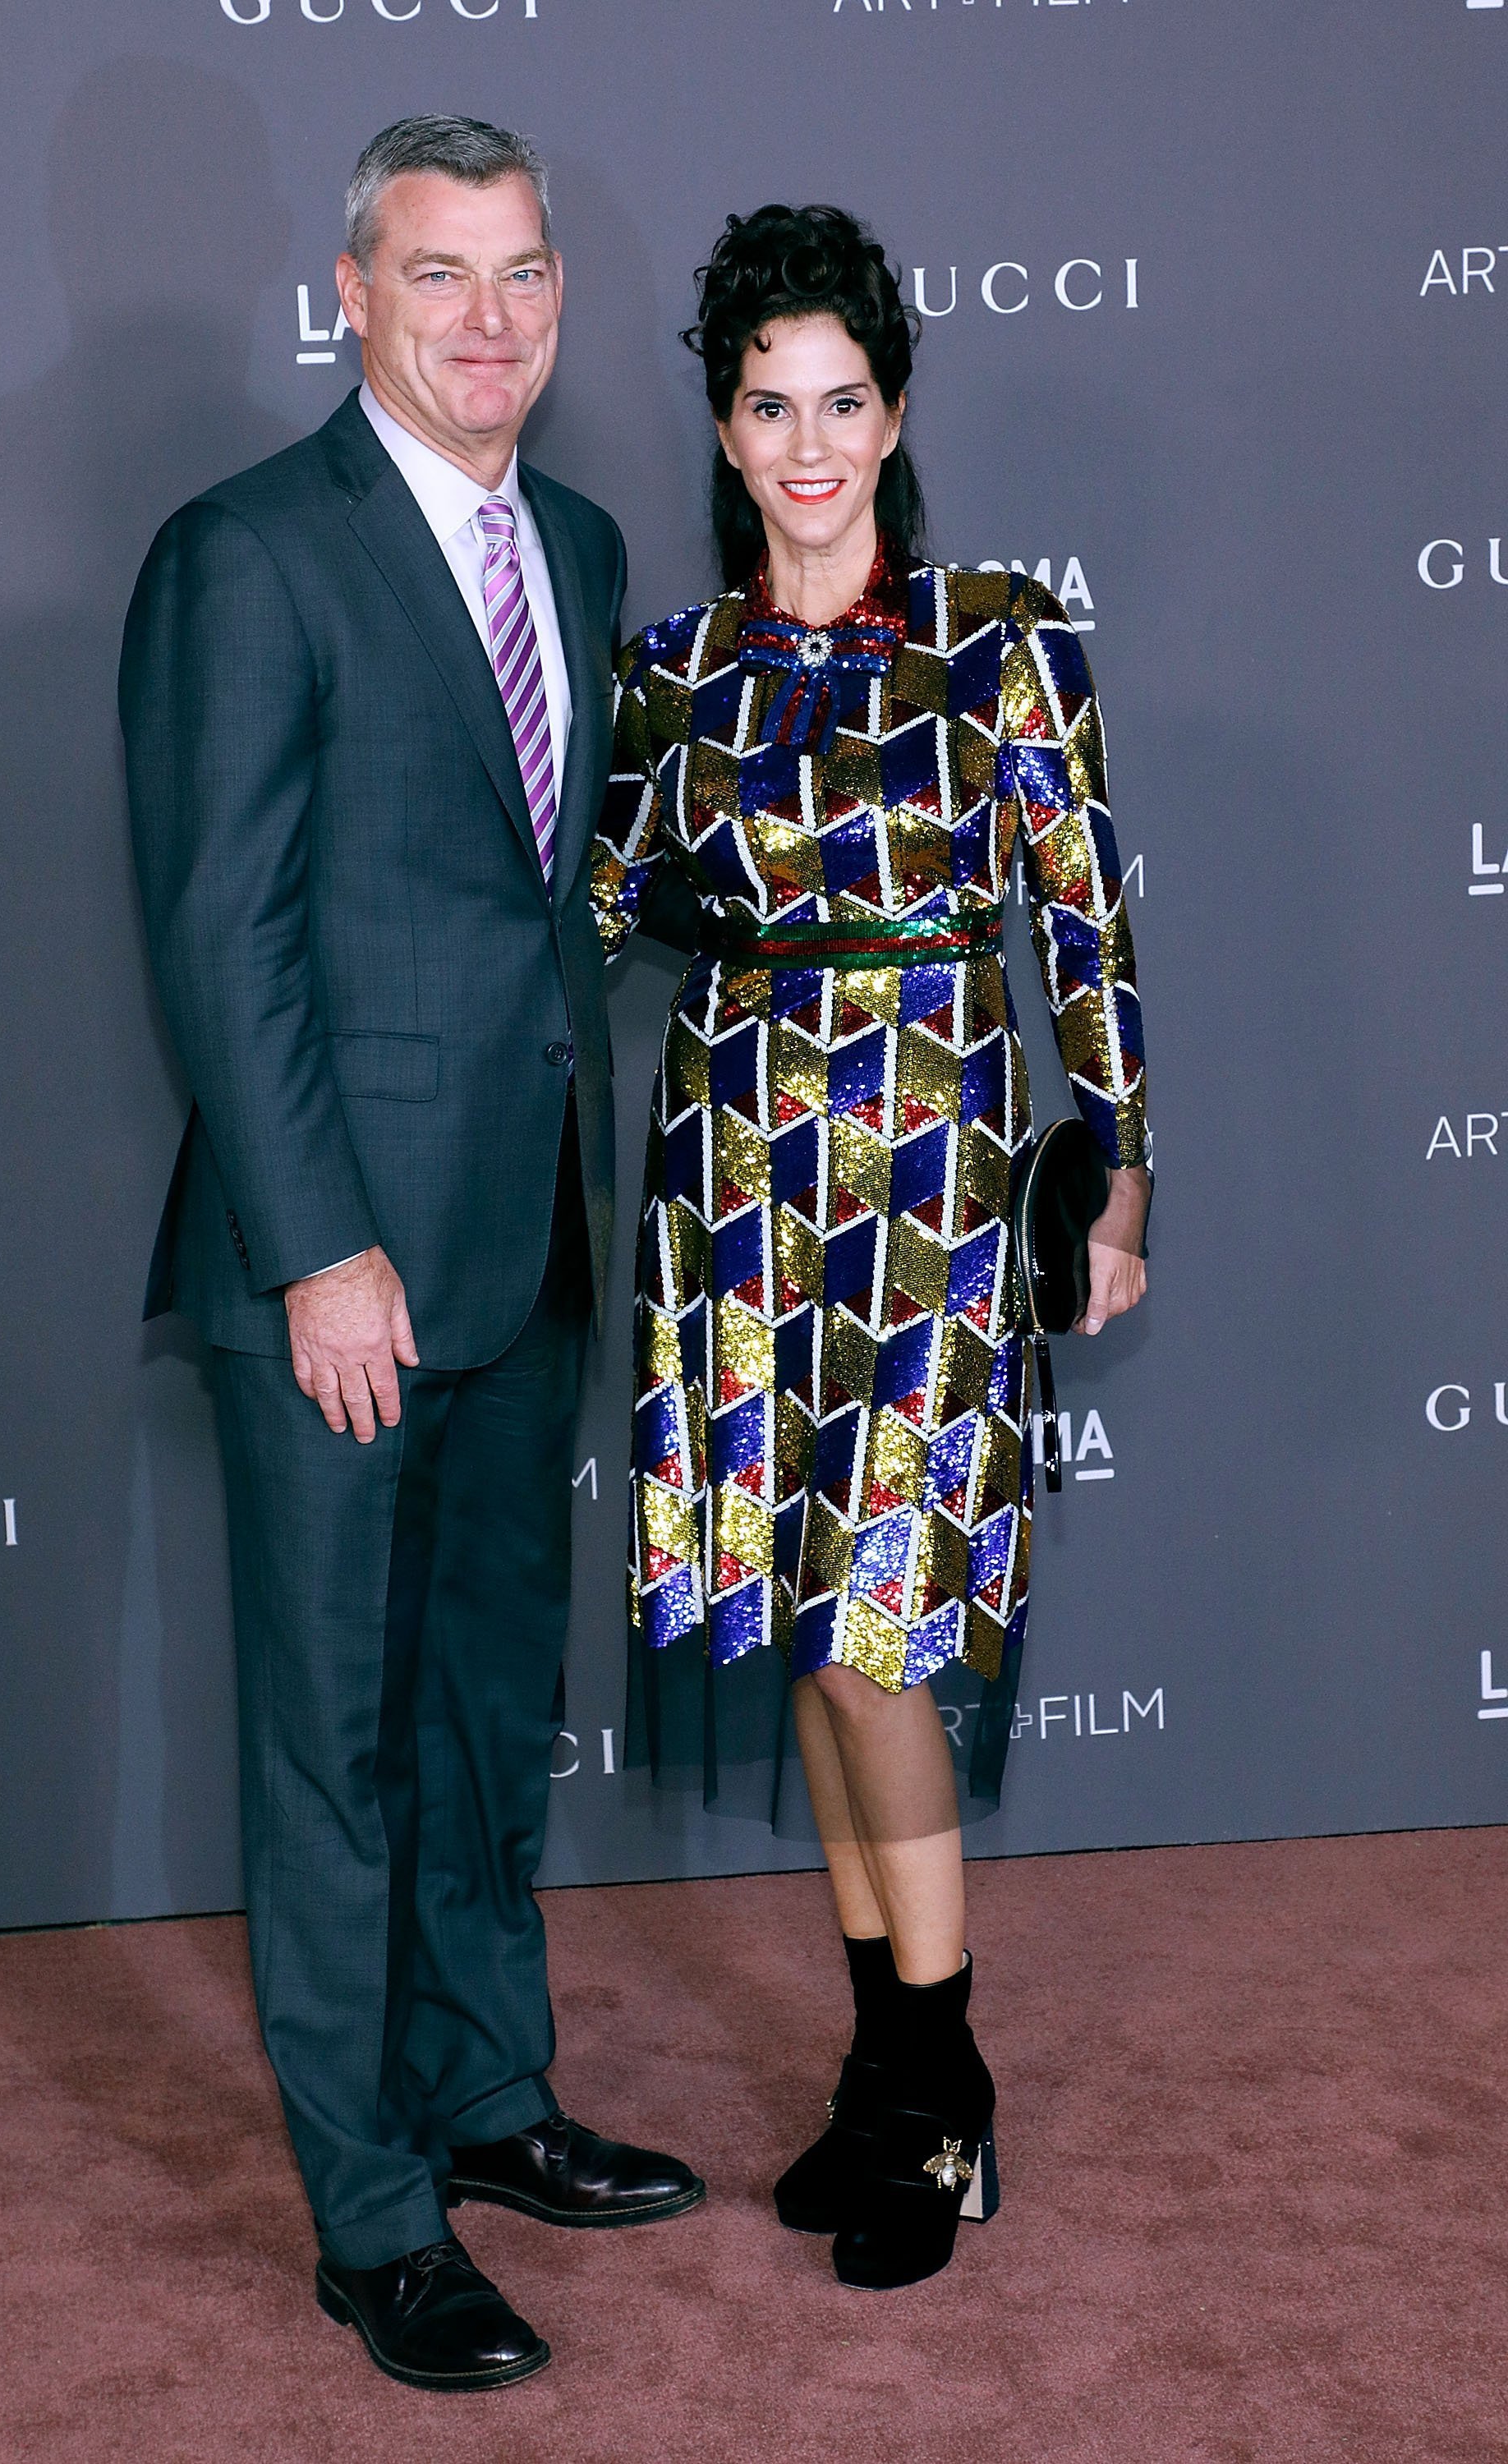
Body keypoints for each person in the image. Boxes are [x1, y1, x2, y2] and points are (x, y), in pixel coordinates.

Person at [121, 115, 702, 2397]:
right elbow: (219, 929)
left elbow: (536, 905)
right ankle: (372, 2218)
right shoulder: (247, 555)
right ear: (349, 292)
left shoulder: (574, 533)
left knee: (476, 1723)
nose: (490, 319)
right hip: (338, 1272)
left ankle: (485, 2097)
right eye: (440, 274)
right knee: (334, 1751)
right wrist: (320, 1244)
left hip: (529, 1238)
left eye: (525, 274)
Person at [591, 204, 1151, 2292]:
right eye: (766, 405)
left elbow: (1079, 925)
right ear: (723, 430)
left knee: (874, 1637)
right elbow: (584, 917)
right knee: (808, 1648)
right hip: (731, 1195)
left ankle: (945, 2098)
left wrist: (1124, 1175)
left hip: (926, 1196)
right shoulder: (669, 674)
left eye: (841, 402)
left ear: (894, 411)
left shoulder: (998, 642)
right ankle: (878, 2082)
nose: (806, 441)